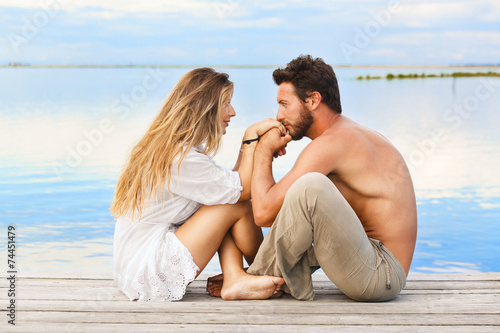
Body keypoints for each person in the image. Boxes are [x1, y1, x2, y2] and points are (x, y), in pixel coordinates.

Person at [208, 55, 417, 302]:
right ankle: (248, 277)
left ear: (313, 100)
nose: (278, 115)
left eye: (285, 103)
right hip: (368, 260)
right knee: (294, 193)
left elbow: (263, 213)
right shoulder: (348, 134)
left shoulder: (334, 143)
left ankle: (251, 277)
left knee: (310, 187)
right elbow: (285, 213)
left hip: (381, 275)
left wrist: (263, 149)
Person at [111, 67, 285, 301]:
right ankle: (268, 272)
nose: (232, 112)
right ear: (204, 109)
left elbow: (229, 185)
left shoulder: (176, 149)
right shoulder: (180, 159)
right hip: (148, 270)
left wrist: (249, 145)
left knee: (226, 199)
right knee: (236, 204)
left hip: (133, 263)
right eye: (226, 104)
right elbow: (241, 190)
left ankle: (237, 277)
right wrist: (253, 140)